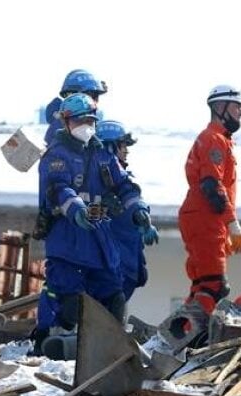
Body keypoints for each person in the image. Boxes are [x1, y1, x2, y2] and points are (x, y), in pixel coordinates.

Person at [33, 94, 158, 354]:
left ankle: (108, 350)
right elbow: (58, 188)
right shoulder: (56, 156)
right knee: (72, 304)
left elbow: (125, 186)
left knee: (114, 299)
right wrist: (77, 210)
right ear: (66, 122)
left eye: (90, 119)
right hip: (68, 240)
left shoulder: (102, 155)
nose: (85, 125)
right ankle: (56, 343)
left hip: (99, 239)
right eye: (79, 120)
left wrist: (140, 212)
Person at [177, 85, 241, 319]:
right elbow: (212, 186)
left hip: (202, 217)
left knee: (202, 285)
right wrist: (232, 223)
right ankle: (188, 336)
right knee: (214, 285)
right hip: (205, 218)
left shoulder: (218, 140)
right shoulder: (214, 139)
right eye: (237, 107)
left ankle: (177, 334)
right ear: (220, 107)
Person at [96, 120, 150, 300]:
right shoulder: (93, 182)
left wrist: (142, 215)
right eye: (122, 145)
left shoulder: (125, 182)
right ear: (109, 148)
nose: (126, 150)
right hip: (109, 268)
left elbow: (132, 201)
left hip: (127, 265)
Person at [44, 69, 107, 146]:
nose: (96, 102)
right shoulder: (62, 126)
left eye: (96, 97)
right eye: (93, 96)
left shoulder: (82, 123)